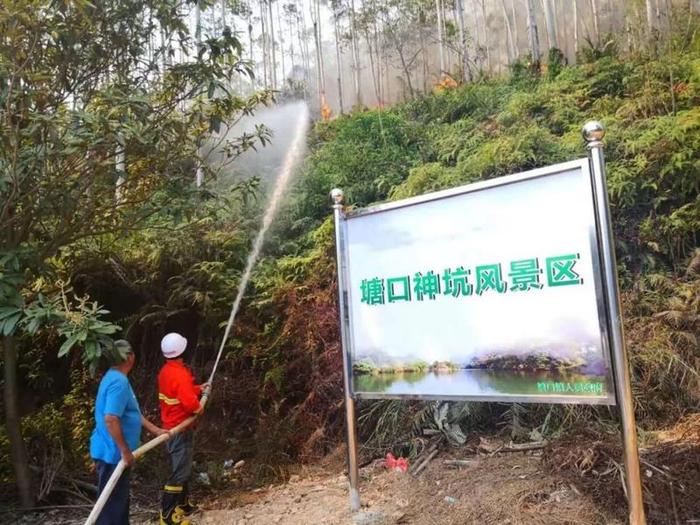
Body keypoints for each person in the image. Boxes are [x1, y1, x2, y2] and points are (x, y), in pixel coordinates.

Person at [90, 339, 166, 525]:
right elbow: (111, 419)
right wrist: (124, 450)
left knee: (118, 501)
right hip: (114, 454)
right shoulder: (119, 383)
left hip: (112, 452)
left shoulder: (116, 377)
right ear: (131, 357)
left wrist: (155, 430)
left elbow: (132, 413)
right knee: (112, 506)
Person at [158, 332, 209, 525]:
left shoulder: (167, 371)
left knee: (183, 467)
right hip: (179, 430)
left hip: (172, 427)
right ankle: (167, 516)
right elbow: (190, 404)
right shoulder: (179, 374)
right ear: (182, 351)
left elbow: (180, 391)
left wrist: (199, 388)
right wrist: (199, 407)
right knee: (179, 471)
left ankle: (183, 505)